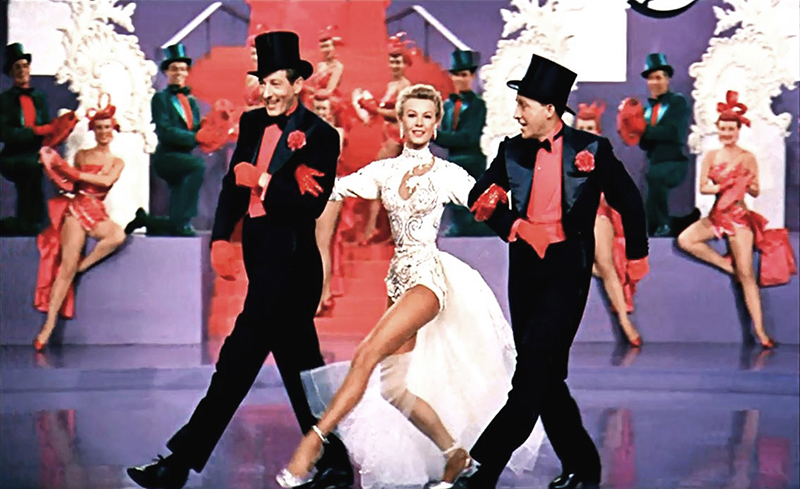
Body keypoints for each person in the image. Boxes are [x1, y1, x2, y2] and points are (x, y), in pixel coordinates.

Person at [126, 31, 353, 489]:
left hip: (293, 266)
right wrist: (220, 239)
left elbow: (311, 205)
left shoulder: (321, 135)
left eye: (276, 83)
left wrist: (265, 181)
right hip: (263, 259)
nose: (267, 92)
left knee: (236, 365)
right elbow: (233, 186)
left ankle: (178, 464)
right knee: (301, 372)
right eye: (262, 82)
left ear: (297, 85)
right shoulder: (252, 124)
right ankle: (336, 462)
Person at [278, 84, 528, 489]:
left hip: (428, 280)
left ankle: (312, 444)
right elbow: (334, 188)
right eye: (412, 115)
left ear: (436, 124)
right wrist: (298, 169)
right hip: (397, 281)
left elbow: (486, 203)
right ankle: (455, 455)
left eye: (427, 116)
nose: (419, 123)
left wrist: (517, 220)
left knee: (366, 354)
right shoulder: (385, 171)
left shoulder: (447, 174)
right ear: (400, 121)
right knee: (394, 389)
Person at [460, 53, 649, 489]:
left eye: (523, 105)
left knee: (530, 375)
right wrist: (514, 225)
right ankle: (584, 468)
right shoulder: (511, 150)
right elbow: (479, 197)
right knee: (545, 374)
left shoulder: (592, 149)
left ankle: (479, 469)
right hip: (525, 270)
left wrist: (637, 256)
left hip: (567, 270)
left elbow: (629, 200)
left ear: (549, 109)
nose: (517, 113)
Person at [677, 91, 796, 349]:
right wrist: (723, 186)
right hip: (717, 215)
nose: (727, 133)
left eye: (731, 129)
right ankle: (727, 266)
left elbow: (755, 190)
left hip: (739, 217)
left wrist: (745, 184)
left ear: (738, 130)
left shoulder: (747, 157)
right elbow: (704, 187)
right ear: (718, 130)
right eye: (723, 129)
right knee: (685, 239)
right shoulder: (711, 155)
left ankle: (761, 331)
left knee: (747, 274)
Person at [33, 95, 127, 351]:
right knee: (65, 267)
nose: (104, 132)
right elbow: (71, 184)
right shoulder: (83, 155)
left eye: (107, 127)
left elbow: (105, 181)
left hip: (96, 210)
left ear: (113, 129)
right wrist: (53, 168)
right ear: (93, 130)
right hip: (77, 208)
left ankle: (80, 268)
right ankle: (48, 326)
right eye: (99, 127)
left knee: (117, 236)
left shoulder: (117, 162)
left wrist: (69, 170)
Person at [575, 101, 642, 346]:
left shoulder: (604, 157)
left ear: (597, 130)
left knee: (605, 263)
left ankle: (624, 321)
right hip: (571, 216)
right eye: (581, 128)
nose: (585, 132)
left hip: (597, 213)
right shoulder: (564, 155)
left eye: (589, 128)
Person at [125, 43, 204, 237]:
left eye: (183, 69)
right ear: (167, 72)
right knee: (197, 166)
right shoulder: (160, 99)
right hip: (167, 157)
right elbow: (166, 131)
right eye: (174, 68)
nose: (179, 73)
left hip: (184, 156)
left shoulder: (191, 101)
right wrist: (195, 137)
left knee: (178, 225)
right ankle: (182, 220)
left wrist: (212, 131)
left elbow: (196, 128)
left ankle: (147, 220)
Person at [356, 32, 412, 244]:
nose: (395, 65)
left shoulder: (405, 86)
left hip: (396, 140)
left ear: (405, 63)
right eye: (392, 61)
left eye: (398, 61)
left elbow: (401, 113)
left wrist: (375, 110)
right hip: (387, 136)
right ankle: (380, 229)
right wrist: (369, 109)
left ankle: (374, 230)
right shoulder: (391, 85)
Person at [433, 49, 491, 237]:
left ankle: (470, 224)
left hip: (472, 158)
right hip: (453, 158)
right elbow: (447, 136)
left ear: (472, 76)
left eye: (464, 75)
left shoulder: (478, 105)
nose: (460, 79)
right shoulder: (448, 105)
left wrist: (435, 135)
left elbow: (468, 138)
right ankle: (458, 224)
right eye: (456, 75)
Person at [0, 43, 51, 236]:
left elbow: (46, 126)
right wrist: (33, 132)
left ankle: (33, 223)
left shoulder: (39, 97)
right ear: (11, 72)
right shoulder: (4, 100)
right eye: (17, 67)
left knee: (37, 169)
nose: (22, 70)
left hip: (35, 153)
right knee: (30, 170)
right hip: (12, 156)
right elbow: (5, 133)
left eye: (24, 66)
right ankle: (28, 223)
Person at [312, 95, 346, 314]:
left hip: (330, 188)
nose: (321, 112)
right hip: (309, 188)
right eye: (317, 108)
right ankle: (323, 295)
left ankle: (319, 298)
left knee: (322, 244)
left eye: (324, 108)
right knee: (313, 245)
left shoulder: (337, 132)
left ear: (332, 111)